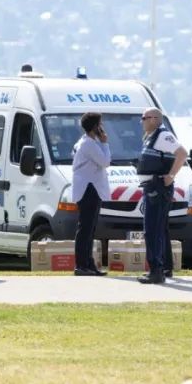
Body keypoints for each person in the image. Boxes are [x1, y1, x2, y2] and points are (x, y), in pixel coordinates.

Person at [135, 108, 187, 284]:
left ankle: (156, 271)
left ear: (154, 119)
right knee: (159, 229)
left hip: (158, 189)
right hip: (152, 188)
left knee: (152, 230)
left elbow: (182, 153)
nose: (141, 121)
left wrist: (171, 176)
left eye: (144, 118)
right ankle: (163, 267)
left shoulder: (163, 136)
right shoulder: (151, 137)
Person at [71, 112, 110, 276]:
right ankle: (81, 265)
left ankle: (89, 264)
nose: (102, 127)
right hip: (89, 189)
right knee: (86, 229)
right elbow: (105, 161)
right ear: (96, 127)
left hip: (90, 188)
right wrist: (105, 143)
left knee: (89, 229)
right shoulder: (89, 144)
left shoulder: (87, 142)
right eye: (100, 124)